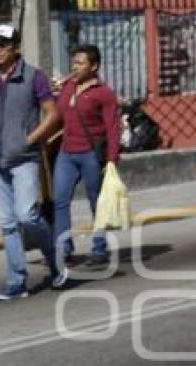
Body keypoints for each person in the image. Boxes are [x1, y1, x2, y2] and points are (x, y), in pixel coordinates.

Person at [0, 24, 65, 300]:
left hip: (24, 159)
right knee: (8, 223)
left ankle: (55, 261)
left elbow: (53, 114)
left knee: (27, 215)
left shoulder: (33, 77)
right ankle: (16, 282)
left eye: (3, 44)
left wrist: (31, 139)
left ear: (15, 48)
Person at [53, 44, 120, 270]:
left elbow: (112, 127)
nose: (75, 66)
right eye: (74, 62)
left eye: (81, 63)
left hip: (91, 154)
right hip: (66, 152)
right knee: (60, 200)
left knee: (96, 203)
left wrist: (111, 159)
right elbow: (58, 113)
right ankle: (64, 247)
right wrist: (57, 90)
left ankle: (99, 248)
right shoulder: (68, 86)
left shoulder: (104, 93)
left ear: (94, 66)